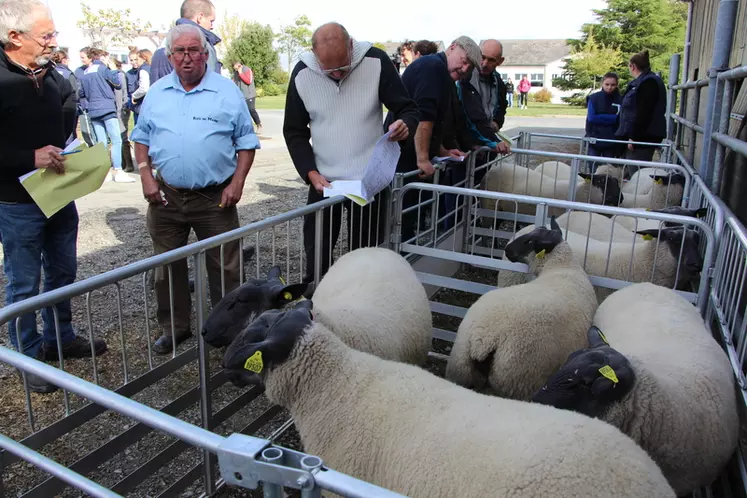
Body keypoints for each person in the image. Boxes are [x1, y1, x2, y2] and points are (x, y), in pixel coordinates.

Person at [131, 24, 260, 354]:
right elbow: (141, 138)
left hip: (215, 198)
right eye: (179, 52)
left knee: (226, 269)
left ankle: (229, 331)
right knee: (166, 267)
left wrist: (237, 183)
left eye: (193, 51)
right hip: (165, 197)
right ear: (170, 55)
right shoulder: (157, 92)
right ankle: (174, 328)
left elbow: (246, 142)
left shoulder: (226, 91)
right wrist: (146, 176)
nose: (186, 58)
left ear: (205, 54)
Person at [0, 0, 108, 394]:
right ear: (14, 37)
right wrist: (28, 157)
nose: (54, 41)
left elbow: (67, 120)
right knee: (24, 284)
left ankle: (60, 337)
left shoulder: (55, 76)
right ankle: (28, 356)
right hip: (17, 203)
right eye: (46, 35)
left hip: (60, 194)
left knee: (63, 272)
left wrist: (73, 149)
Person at [283, 22, 419, 284]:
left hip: (368, 181)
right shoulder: (302, 73)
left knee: (365, 257)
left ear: (351, 45)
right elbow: (295, 132)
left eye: (343, 67)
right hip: (324, 184)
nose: (337, 75)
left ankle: (362, 307)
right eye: (329, 70)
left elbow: (409, 109)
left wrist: (405, 124)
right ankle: (317, 307)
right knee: (317, 255)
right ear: (314, 56)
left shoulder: (376, 61)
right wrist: (310, 172)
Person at [385, 36, 482, 241]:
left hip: (408, 156)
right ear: (452, 47)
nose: (465, 69)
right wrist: (422, 159)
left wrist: (442, 151)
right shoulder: (433, 68)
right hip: (402, 157)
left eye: (470, 66)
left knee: (409, 218)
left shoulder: (441, 74)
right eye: (464, 60)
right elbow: (424, 117)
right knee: (400, 220)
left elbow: (436, 121)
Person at [78, 47, 135, 183]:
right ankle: (118, 170)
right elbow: (117, 83)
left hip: (93, 110)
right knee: (116, 140)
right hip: (107, 108)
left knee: (101, 142)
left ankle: (106, 172)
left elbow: (81, 93)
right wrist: (113, 69)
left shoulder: (84, 73)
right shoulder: (103, 69)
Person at [616, 50, 667, 167]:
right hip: (639, 136)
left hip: (642, 138)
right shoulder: (644, 82)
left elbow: (644, 112)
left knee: (636, 173)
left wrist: (634, 137)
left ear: (632, 66)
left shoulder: (649, 83)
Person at [149, 0, 221, 84]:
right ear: (200, 17)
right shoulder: (203, 46)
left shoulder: (160, 52)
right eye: (211, 21)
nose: (212, 27)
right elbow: (210, 86)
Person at [585, 71, 624, 170]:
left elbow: (622, 118)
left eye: (613, 85)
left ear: (617, 85)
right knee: (593, 168)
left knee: (608, 170)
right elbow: (592, 117)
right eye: (607, 84)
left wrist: (603, 117)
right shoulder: (593, 98)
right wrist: (613, 118)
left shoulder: (620, 99)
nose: (609, 87)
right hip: (595, 139)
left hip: (612, 140)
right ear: (602, 83)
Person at [51, 49, 80, 146]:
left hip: (54, 109)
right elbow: (75, 93)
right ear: (64, 60)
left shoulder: (51, 72)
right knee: (70, 135)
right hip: (68, 109)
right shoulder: (68, 74)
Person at [232, 61, 262, 133]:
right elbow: (234, 82)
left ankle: (258, 124)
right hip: (241, 96)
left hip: (249, 94)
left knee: (251, 109)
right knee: (243, 112)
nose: (235, 68)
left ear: (238, 65)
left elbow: (248, 81)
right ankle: (247, 128)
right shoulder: (236, 73)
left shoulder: (247, 70)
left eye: (235, 66)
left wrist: (240, 73)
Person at [130, 48, 151, 125]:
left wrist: (134, 95)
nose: (135, 62)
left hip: (142, 104)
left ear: (144, 58)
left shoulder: (143, 70)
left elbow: (144, 88)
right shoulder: (151, 67)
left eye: (137, 59)